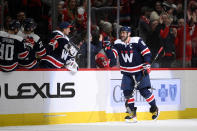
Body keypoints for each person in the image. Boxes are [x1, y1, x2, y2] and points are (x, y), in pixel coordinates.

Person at [105, 26, 159, 122]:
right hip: (127, 73)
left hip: (140, 71)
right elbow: (112, 56)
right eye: (121, 33)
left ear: (129, 33)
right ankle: (132, 114)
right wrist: (107, 48)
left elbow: (147, 53)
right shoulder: (118, 43)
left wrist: (147, 64)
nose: (122, 34)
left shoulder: (137, 41)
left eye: (124, 33)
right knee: (127, 93)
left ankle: (154, 109)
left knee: (144, 91)